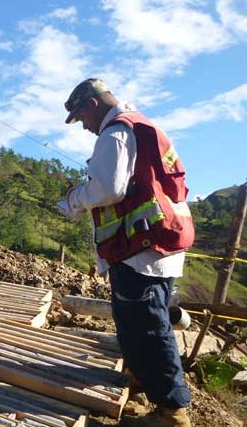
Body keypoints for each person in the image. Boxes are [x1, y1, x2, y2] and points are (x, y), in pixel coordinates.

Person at [58, 79, 194, 427]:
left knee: (147, 328)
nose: (85, 128)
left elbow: (109, 188)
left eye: (81, 118)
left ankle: (172, 412)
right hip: (158, 245)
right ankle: (138, 385)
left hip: (139, 250)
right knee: (140, 322)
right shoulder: (143, 126)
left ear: (90, 105)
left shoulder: (115, 133)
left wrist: (74, 200)